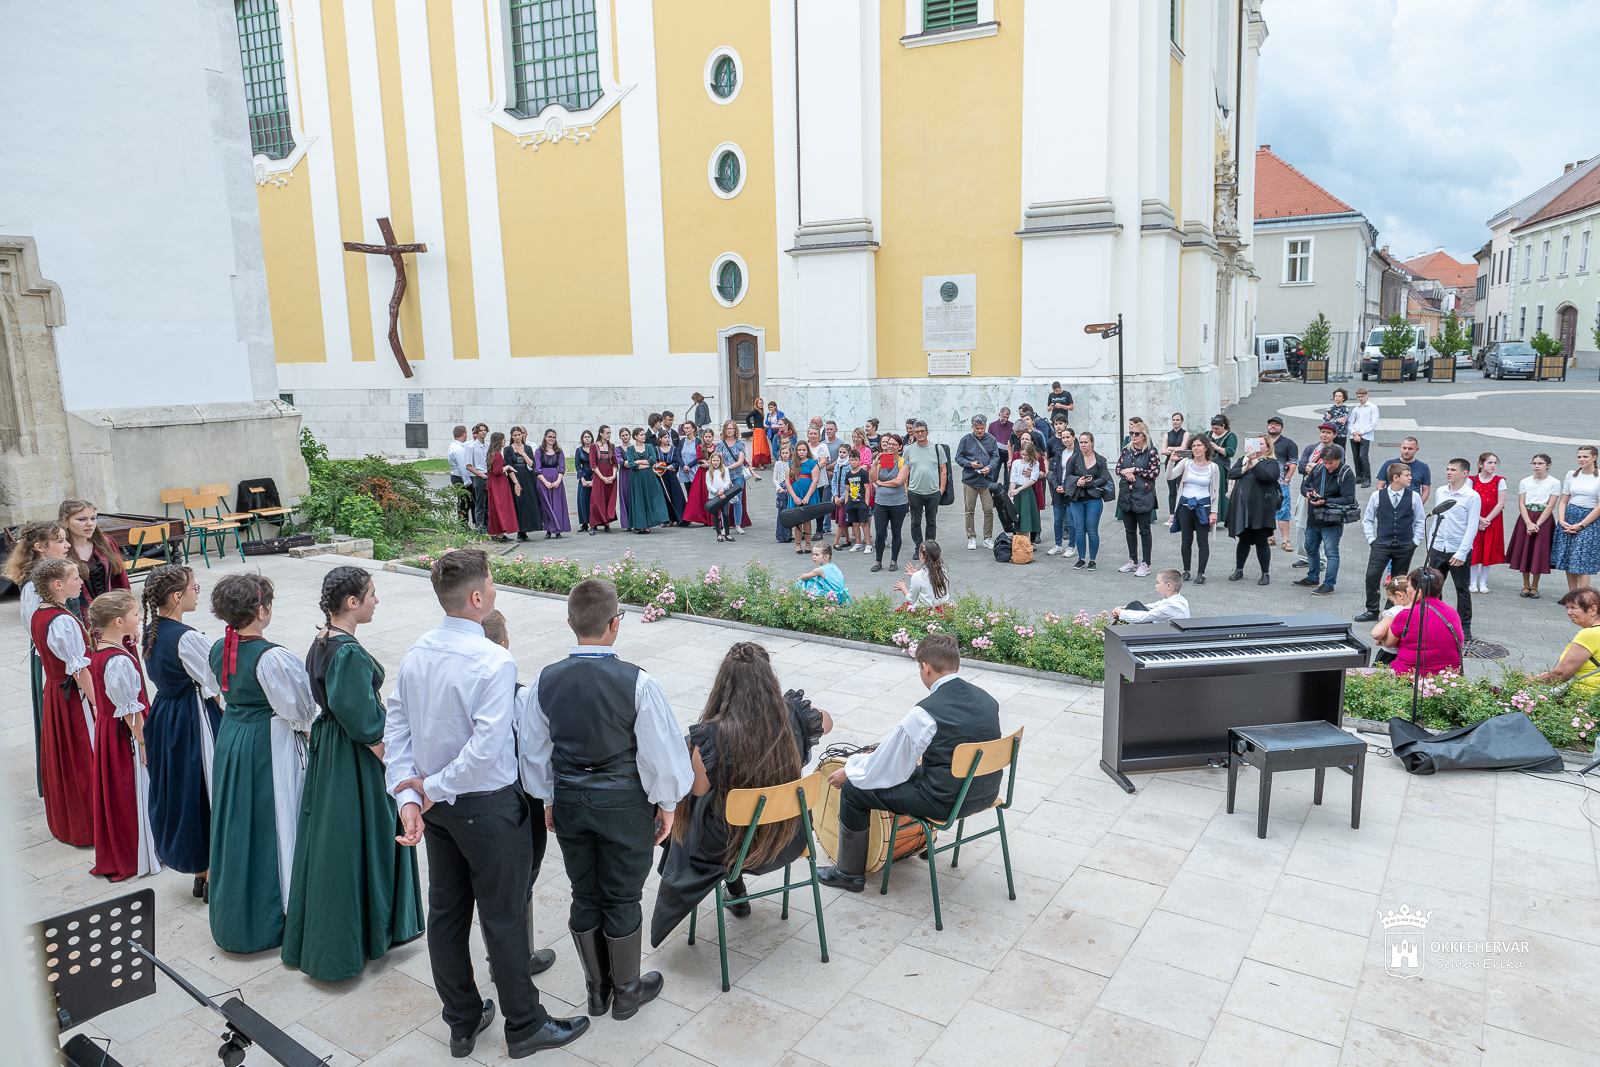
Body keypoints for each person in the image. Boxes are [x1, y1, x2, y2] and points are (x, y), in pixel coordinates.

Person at [386, 551, 588, 1058]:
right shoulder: (494, 660)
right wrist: (426, 788)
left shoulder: (415, 654)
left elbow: (398, 732)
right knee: (502, 915)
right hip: (484, 805)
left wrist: (413, 794)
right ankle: (524, 1023)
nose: (495, 589)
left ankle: (462, 1018)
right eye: (492, 583)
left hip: (439, 809)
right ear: (476, 598)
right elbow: (486, 749)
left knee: (448, 914)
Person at [518, 579, 694, 1022]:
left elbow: (533, 751)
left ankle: (597, 991)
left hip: (572, 800)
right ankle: (627, 993)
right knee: (622, 896)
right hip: (622, 804)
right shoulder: (639, 681)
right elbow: (662, 754)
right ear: (616, 624)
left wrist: (547, 799)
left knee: (584, 891)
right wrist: (668, 805)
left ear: (571, 623)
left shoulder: (544, 680)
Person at [282, 568, 425, 982]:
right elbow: (362, 721)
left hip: (331, 746)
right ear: (352, 603)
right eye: (372, 595)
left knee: (334, 839)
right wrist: (393, 763)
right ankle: (356, 939)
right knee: (357, 842)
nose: (377, 601)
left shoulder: (321, 639)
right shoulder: (346, 652)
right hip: (352, 757)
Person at [650, 643, 830, 944]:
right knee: (729, 807)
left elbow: (697, 788)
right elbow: (827, 721)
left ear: (724, 685)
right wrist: (788, 710)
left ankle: (726, 887)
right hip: (790, 838)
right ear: (769, 680)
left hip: (732, 848)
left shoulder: (713, 733)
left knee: (690, 809)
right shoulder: (791, 716)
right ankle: (735, 889)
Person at [817, 635, 1001, 893]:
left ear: (925, 667)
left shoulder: (925, 713)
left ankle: (848, 874)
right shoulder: (987, 699)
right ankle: (925, 844)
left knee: (854, 792)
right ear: (956, 664)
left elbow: (888, 765)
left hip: (946, 803)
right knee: (921, 772)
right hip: (986, 793)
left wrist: (849, 770)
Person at [207, 571, 317, 954]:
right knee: (276, 822)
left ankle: (236, 911)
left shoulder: (219, 647)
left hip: (233, 737)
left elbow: (222, 692)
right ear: (263, 610)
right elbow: (300, 711)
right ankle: (277, 913)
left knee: (239, 821)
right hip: (267, 745)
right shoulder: (273, 657)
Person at [141, 565, 223, 900]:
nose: (196, 591)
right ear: (177, 596)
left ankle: (200, 871)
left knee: (183, 788)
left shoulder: (151, 630)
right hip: (192, 717)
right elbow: (216, 681)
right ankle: (211, 868)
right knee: (205, 788)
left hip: (165, 715)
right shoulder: (187, 637)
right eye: (194, 587)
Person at [85, 590, 159, 883]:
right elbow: (130, 711)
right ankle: (138, 850)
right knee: (134, 791)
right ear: (118, 621)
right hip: (123, 736)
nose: (140, 618)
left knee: (118, 792)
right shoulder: (118, 661)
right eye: (135, 615)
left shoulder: (100, 649)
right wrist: (142, 742)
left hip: (107, 729)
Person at [31, 558, 97, 846]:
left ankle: (74, 822)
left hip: (56, 693)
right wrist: (98, 704)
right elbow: (78, 669)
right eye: (75, 578)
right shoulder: (62, 620)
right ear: (57, 585)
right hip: (72, 697)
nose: (80, 582)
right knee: (83, 757)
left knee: (68, 760)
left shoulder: (40, 614)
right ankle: (91, 824)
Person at [9, 520, 71, 797]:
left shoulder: (52, 574)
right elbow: (39, 629)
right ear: (40, 547)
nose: (67, 545)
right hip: (53, 663)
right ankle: (61, 782)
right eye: (60, 540)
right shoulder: (35, 586)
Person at [1354, 461, 1425, 622]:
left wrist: (1415, 541)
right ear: (1395, 478)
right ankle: (1372, 609)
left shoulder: (1413, 496)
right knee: (1372, 576)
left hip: (1405, 544)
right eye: (1407, 475)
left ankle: (1392, 608)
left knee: (1399, 580)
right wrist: (1372, 539)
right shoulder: (1377, 495)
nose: (1410, 478)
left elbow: (1420, 520)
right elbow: (1368, 519)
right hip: (1382, 543)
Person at [1427, 459, 1482, 638]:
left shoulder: (1472, 496)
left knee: (1462, 588)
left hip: (1457, 549)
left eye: (1453, 470)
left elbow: (1472, 526)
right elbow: (1436, 519)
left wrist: (1461, 552)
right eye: (1447, 469)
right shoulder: (1441, 491)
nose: (1448, 472)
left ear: (1464, 473)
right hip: (1438, 547)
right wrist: (1430, 546)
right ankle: (1435, 621)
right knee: (1434, 589)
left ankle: (1464, 626)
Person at [1294, 443, 1356, 596]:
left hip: (1332, 521)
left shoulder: (1346, 473)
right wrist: (1308, 492)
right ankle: (1313, 577)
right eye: (1326, 462)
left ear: (1339, 459)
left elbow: (1348, 499)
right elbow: (1304, 486)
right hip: (1313, 518)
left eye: (1331, 463)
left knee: (1331, 553)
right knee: (1310, 547)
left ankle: (1329, 584)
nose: (1328, 466)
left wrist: (1325, 501)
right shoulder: (1318, 468)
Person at [1382, 567, 1464, 677]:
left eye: (1409, 586)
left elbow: (1389, 643)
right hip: (1448, 676)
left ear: (1419, 592)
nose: (1407, 590)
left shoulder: (1407, 614)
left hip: (1410, 676)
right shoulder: (1452, 611)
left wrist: (1381, 639)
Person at [1227, 436, 1281, 585]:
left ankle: (1265, 573)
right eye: (1254, 443)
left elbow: (1266, 476)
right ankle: (1239, 569)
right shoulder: (1244, 460)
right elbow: (1231, 473)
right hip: (1243, 508)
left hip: (1262, 508)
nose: (1256, 446)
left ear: (1267, 448)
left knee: (1261, 540)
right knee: (1243, 540)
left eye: (1260, 444)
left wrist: (1255, 461)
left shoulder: (1272, 463)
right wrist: (1245, 467)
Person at [1165, 437, 1220, 583]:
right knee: (1186, 540)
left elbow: (1216, 491)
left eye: (1199, 445)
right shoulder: (1186, 463)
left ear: (1206, 448)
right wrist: (1172, 461)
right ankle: (1186, 570)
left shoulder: (1213, 467)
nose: (1196, 448)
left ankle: (1201, 573)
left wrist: (1214, 511)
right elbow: (1169, 476)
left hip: (1203, 507)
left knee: (1202, 541)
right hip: (1185, 506)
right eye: (1193, 446)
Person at [1510, 453, 1560, 598]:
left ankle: (1535, 585)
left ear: (1548, 465)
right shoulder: (1525, 481)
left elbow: (1551, 505)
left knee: (1539, 551)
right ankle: (1525, 585)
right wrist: (1528, 523)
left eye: (1540, 463)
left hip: (1543, 518)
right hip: (1526, 516)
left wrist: (1537, 524)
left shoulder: (1554, 482)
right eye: (1534, 463)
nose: (1536, 466)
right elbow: (1521, 503)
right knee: (1525, 549)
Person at [61, 499, 129, 605]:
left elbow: (120, 580)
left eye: (93, 518)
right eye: (81, 519)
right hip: (80, 615)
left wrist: (126, 605)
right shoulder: (62, 551)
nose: (89, 524)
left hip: (111, 610)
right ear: (65, 521)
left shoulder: (105, 544)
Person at [1535, 588, 1600, 699]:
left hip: (1583, 700)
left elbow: (1562, 674)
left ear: (1593, 610)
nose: (1568, 612)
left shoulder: (1589, 634)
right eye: (1567, 608)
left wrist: (1529, 680)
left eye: (1574, 608)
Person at [1553, 445, 1600, 592]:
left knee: (1583, 558)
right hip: (1570, 516)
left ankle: (1584, 597)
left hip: (1589, 519)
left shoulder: (1598, 477)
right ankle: (1572, 595)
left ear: (1594, 457)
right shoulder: (1572, 475)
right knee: (1569, 557)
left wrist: (1581, 524)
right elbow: (1563, 500)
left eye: (1585, 456)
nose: (1581, 459)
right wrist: (1561, 520)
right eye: (1579, 456)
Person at [1115, 426, 1161, 577]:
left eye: (1136, 434)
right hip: (1126, 494)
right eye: (1131, 433)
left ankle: (1145, 563)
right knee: (1129, 530)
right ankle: (1132, 560)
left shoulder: (1151, 451)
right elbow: (1118, 468)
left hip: (1143, 495)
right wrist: (1126, 473)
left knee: (1144, 530)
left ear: (1144, 435)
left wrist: (1135, 470)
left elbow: (1155, 472)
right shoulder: (1126, 450)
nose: (1133, 436)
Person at [957, 415, 1002, 550]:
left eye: (982, 428)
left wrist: (990, 467)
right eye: (977, 428)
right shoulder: (966, 440)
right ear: (972, 427)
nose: (980, 431)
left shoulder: (991, 439)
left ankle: (987, 538)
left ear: (985, 426)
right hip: (970, 480)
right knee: (969, 510)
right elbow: (958, 457)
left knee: (988, 510)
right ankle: (971, 537)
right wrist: (970, 464)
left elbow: (996, 456)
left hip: (987, 480)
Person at [1066, 432, 1110, 570]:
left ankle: (1092, 560)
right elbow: (1068, 477)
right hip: (1077, 499)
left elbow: (1104, 479)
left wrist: (1088, 484)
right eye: (1081, 442)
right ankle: (1081, 558)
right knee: (1079, 530)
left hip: (1094, 499)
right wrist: (1077, 480)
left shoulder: (1100, 460)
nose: (1083, 445)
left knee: (1092, 530)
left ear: (1092, 442)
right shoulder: (1075, 458)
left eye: (1086, 442)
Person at [905, 420, 946, 561]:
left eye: (922, 431)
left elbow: (943, 470)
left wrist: (941, 489)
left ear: (927, 432)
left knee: (931, 521)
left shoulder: (937, 448)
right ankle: (918, 547)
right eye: (917, 431)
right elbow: (905, 471)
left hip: (932, 492)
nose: (920, 433)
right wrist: (906, 489)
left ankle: (929, 548)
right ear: (913, 433)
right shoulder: (909, 450)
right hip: (915, 491)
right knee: (915, 522)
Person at [871, 433, 910, 573]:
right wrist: (874, 465)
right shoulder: (883, 460)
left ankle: (894, 560)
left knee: (896, 532)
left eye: (895, 444)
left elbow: (898, 481)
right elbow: (873, 478)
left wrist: (881, 483)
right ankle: (878, 561)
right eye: (889, 444)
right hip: (881, 502)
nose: (891, 447)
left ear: (900, 447)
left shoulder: (903, 463)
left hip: (898, 503)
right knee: (880, 533)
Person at [1469, 453, 1509, 593]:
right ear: (1481, 464)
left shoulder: (1499, 480)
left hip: (1492, 519)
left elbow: (1501, 502)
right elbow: (1467, 501)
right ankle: (1472, 582)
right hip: (1474, 517)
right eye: (1490, 463)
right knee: (1474, 548)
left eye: (1495, 463)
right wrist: (1479, 518)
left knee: (1487, 549)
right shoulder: (1472, 480)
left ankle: (1483, 582)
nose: (1493, 466)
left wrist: (1487, 520)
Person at [504, 427, 546, 541]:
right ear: (511, 436)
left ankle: (525, 531)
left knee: (527, 504)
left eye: (519, 434)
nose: (517, 437)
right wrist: (516, 483)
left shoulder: (527, 448)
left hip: (527, 478)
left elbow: (533, 465)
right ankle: (519, 531)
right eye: (515, 435)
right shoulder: (508, 449)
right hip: (515, 478)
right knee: (518, 503)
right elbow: (509, 468)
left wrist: (523, 454)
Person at [625, 428, 669, 533]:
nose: (644, 436)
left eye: (644, 434)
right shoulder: (630, 449)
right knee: (639, 500)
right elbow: (632, 465)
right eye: (641, 435)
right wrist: (646, 464)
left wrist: (639, 462)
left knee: (649, 498)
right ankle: (641, 525)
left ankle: (648, 524)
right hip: (636, 478)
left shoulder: (649, 447)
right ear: (635, 436)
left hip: (649, 477)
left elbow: (653, 460)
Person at [1265, 417, 1299, 551]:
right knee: (1266, 510)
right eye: (1271, 424)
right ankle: (1270, 537)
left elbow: (1293, 463)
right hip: (1263, 483)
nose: (1273, 426)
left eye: (1276, 425)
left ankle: (1286, 540)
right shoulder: (1262, 442)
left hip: (1280, 484)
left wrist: (1287, 480)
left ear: (1282, 428)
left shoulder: (1288, 443)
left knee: (1283, 510)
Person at [1111, 568, 1190, 624]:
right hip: (1167, 633)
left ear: (1169, 586)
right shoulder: (1178, 600)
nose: (1155, 586)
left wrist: (1121, 613)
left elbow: (1145, 617)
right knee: (1135, 605)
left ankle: (1107, 637)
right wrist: (1125, 608)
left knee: (1135, 607)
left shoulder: (1172, 606)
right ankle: (1108, 635)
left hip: (1164, 639)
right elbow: (1154, 606)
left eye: (1158, 583)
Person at [1047, 422, 1079, 558]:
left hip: (1071, 492)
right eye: (1063, 438)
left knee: (1071, 521)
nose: (1065, 440)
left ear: (1073, 438)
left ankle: (1071, 546)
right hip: (1058, 490)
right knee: (1057, 520)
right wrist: (1056, 486)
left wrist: (1067, 487)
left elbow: (1079, 473)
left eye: (1068, 437)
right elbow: (1054, 471)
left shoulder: (1078, 454)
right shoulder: (1059, 452)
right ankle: (1058, 545)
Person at [1200, 416, 1238, 526]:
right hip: (1206, 464)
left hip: (1220, 465)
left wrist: (1216, 447)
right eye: (1213, 428)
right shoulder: (1207, 434)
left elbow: (1230, 452)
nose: (1214, 431)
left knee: (1218, 489)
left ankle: (1219, 515)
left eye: (1217, 428)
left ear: (1223, 426)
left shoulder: (1230, 436)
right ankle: (1204, 514)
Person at [894, 539, 951, 609]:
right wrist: (916, 575)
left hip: (926, 613)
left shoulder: (918, 576)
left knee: (904, 608)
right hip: (944, 609)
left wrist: (903, 587)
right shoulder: (942, 570)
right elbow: (928, 581)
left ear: (921, 555)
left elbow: (911, 599)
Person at [536, 429, 571, 538]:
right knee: (546, 506)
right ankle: (548, 530)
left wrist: (558, 481)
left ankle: (557, 530)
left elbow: (562, 467)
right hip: (543, 482)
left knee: (557, 505)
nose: (552, 439)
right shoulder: (539, 452)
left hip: (556, 482)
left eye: (554, 437)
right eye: (550, 437)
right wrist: (545, 482)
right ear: (545, 437)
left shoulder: (559, 452)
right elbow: (537, 469)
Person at [787, 440, 822, 552]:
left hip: (809, 495)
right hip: (796, 495)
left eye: (803, 450)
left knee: (807, 520)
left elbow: (815, 481)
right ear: (796, 451)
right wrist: (794, 497)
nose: (801, 452)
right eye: (799, 450)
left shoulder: (812, 463)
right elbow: (788, 482)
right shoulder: (791, 463)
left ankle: (807, 544)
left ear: (807, 451)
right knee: (797, 521)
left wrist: (807, 496)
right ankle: (798, 545)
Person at [718, 420, 752, 533]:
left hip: (738, 474)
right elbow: (719, 460)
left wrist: (727, 468)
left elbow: (740, 461)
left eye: (731, 428)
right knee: (724, 501)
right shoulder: (720, 444)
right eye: (727, 428)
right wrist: (725, 471)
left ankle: (738, 525)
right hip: (724, 476)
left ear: (735, 430)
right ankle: (724, 526)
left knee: (738, 500)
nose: (729, 430)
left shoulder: (740, 444)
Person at [486, 431, 521, 542]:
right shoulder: (496, 454)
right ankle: (500, 535)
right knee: (501, 508)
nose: (504, 441)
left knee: (496, 508)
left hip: (494, 482)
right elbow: (497, 471)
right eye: (503, 439)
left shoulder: (491, 453)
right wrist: (507, 467)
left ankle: (498, 533)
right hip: (498, 484)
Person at [1009, 435, 1043, 546]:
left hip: (1027, 491)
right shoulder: (1016, 463)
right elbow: (1013, 478)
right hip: (1017, 490)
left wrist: (1019, 490)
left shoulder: (1035, 463)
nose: (1024, 457)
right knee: (1016, 516)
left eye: (1026, 455)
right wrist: (1012, 493)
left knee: (1027, 516)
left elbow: (1033, 480)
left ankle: (1027, 542)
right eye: (1022, 454)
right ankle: (1017, 542)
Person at [1378, 438, 1433, 505]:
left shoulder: (1423, 467)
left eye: (1410, 449)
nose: (1406, 451)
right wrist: (1384, 501)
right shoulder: (1389, 464)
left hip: (1412, 502)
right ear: (1400, 447)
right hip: (1391, 502)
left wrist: (1418, 505)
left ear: (1417, 449)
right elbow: (1380, 486)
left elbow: (1426, 490)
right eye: (1404, 448)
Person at [1159, 413, 1193, 515]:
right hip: (1169, 462)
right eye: (1173, 420)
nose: (1175, 422)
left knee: (1181, 488)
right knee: (1172, 490)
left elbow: (1182, 449)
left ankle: (1181, 513)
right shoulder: (1167, 434)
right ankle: (1172, 514)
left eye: (1177, 420)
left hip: (1181, 462)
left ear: (1182, 421)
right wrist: (1175, 451)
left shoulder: (1185, 433)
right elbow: (1162, 451)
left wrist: (1169, 448)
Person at [588, 426, 619, 533]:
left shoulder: (612, 446)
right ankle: (593, 524)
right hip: (599, 475)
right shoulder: (593, 446)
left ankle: (607, 523)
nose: (609, 435)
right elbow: (593, 464)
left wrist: (614, 476)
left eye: (610, 433)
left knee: (608, 498)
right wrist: (602, 478)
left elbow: (615, 463)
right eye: (607, 433)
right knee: (596, 499)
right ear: (601, 434)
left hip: (610, 474)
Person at [656, 429, 688, 524]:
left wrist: (672, 466)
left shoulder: (674, 449)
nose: (667, 439)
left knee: (675, 495)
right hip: (661, 475)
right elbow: (654, 461)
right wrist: (658, 468)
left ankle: (677, 517)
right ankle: (665, 518)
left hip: (671, 474)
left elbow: (677, 460)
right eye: (665, 437)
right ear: (660, 439)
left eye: (668, 437)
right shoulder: (656, 449)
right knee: (663, 496)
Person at [1348, 388, 1379, 486]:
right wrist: (1354, 433)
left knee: (1363, 456)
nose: (1360, 398)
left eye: (1362, 396)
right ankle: (1359, 476)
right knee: (1356, 457)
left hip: (1366, 435)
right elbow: (1350, 422)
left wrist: (1361, 433)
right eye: (1359, 396)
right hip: (1355, 435)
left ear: (1367, 395)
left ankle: (1367, 478)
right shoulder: (1356, 409)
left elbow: (1373, 423)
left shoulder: (1372, 407)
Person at [843, 448, 872, 552]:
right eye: (852, 459)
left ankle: (868, 544)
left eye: (856, 459)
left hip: (861, 502)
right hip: (851, 502)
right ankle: (858, 543)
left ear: (859, 460)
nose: (854, 462)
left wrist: (866, 502)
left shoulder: (863, 473)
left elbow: (867, 488)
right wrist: (846, 501)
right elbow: (847, 489)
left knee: (864, 523)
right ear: (849, 461)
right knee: (854, 524)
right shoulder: (848, 474)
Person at [706, 451, 736, 543]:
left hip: (724, 495)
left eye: (717, 460)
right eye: (713, 460)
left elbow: (727, 481)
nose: (715, 462)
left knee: (726, 514)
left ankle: (727, 533)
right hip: (714, 496)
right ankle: (718, 534)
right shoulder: (708, 472)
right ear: (711, 461)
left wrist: (722, 489)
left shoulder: (725, 469)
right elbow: (708, 485)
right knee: (715, 515)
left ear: (720, 461)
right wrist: (716, 491)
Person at [448, 425, 473, 526]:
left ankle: (462, 522)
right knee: (465, 503)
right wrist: (467, 481)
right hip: (460, 478)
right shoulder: (459, 449)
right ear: (464, 434)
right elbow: (463, 467)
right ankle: (463, 523)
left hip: (455, 475)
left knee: (463, 501)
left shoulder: (453, 446)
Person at [467, 423, 491, 532]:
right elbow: (468, 466)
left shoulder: (488, 445)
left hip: (488, 476)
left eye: (485, 430)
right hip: (479, 477)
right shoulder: (472, 447)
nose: (483, 432)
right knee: (480, 503)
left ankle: (487, 526)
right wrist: (480, 474)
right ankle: (479, 527)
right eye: (481, 430)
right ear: (476, 433)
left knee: (487, 504)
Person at [772, 440, 794, 544]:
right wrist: (778, 487)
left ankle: (791, 532)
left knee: (791, 510)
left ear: (790, 453)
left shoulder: (792, 463)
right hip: (781, 489)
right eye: (783, 453)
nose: (785, 455)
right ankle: (783, 532)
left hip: (790, 488)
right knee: (782, 509)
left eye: (786, 453)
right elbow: (774, 478)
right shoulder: (778, 463)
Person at [575, 429, 595, 533]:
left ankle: (594, 522)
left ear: (592, 438)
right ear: (582, 439)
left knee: (593, 500)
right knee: (583, 500)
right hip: (583, 475)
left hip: (594, 474)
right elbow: (578, 466)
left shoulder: (595, 449)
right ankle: (584, 523)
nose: (587, 438)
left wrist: (593, 479)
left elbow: (597, 464)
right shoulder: (579, 450)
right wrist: (582, 479)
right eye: (585, 437)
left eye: (589, 436)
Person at [614, 428, 634, 531]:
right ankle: (627, 523)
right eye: (623, 435)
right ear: (620, 437)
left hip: (635, 474)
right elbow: (620, 463)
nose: (625, 437)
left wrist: (628, 463)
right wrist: (633, 463)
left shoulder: (635, 447)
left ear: (630, 435)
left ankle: (636, 520)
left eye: (626, 435)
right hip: (624, 475)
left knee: (635, 497)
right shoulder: (618, 449)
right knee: (625, 496)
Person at [747, 400, 771, 469]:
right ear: (756, 404)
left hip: (761, 430)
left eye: (761, 403)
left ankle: (761, 463)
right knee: (759, 447)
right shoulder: (756, 411)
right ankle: (759, 464)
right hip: (758, 431)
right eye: (759, 403)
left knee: (762, 446)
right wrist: (751, 427)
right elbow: (747, 417)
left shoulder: (760, 411)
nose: (761, 404)